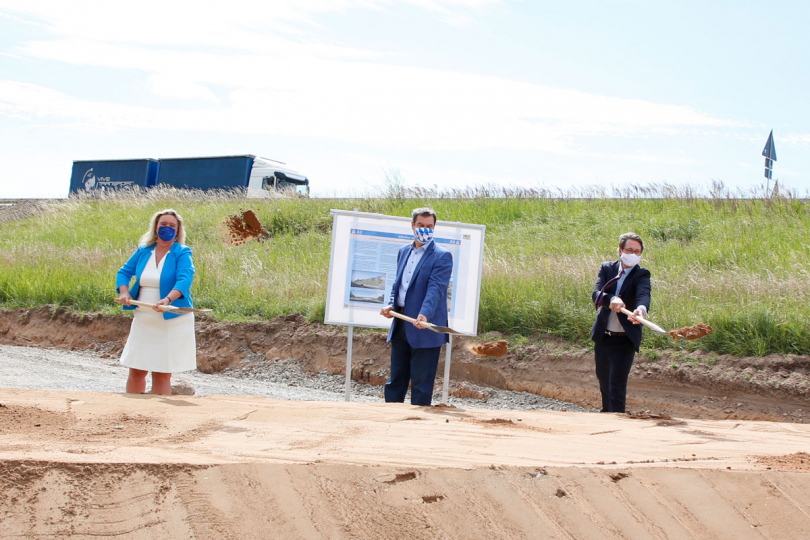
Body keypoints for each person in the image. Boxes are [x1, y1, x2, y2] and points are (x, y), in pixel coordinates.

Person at [114, 209, 197, 395]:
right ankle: (132, 414)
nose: (167, 228)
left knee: (161, 373)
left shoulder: (182, 252)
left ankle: (156, 418)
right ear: (156, 227)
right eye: (163, 225)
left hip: (169, 319)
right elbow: (124, 272)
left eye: (172, 226)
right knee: (136, 369)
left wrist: (167, 299)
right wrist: (125, 292)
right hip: (144, 318)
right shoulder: (144, 251)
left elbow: (184, 279)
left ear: (177, 231)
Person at [380, 207, 453, 406]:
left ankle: (417, 430)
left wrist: (425, 314)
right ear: (413, 226)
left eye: (429, 226)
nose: (425, 229)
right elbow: (399, 284)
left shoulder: (442, 256)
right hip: (401, 322)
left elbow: (436, 289)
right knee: (395, 381)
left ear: (434, 228)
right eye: (421, 225)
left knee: (421, 385)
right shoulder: (403, 251)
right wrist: (391, 304)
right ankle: (390, 425)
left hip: (424, 327)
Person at [590, 232, 651, 413]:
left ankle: (617, 419)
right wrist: (611, 299)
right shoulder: (607, 268)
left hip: (625, 339)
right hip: (604, 336)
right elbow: (597, 294)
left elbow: (643, 295)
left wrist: (641, 309)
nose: (633, 254)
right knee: (603, 379)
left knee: (617, 384)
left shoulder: (642, 274)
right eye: (629, 250)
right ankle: (606, 413)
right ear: (620, 250)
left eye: (637, 252)